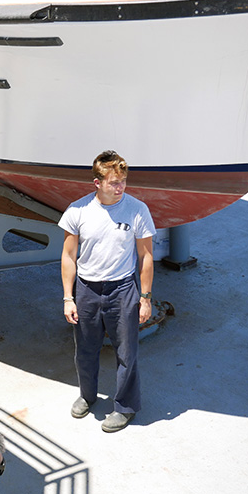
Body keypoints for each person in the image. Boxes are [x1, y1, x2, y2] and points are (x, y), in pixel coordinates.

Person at [59, 150, 155, 433]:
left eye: (123, 181)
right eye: (114, 182)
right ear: (96, 183)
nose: (120, 187)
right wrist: (68, 298)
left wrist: (145, 298)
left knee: (127, 352)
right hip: (87, 289)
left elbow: (146, 256)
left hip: (123, 289)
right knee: (85, 350)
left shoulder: (137, 210)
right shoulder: (77, 211)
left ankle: (125, 407)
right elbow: (68, 256)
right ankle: (87, 395)